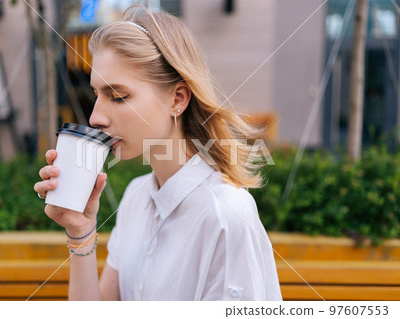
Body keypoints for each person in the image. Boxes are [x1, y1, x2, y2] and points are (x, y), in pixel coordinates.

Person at [34, 6, 282, 301]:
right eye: (96, 95)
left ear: (177, 99)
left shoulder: (226, 216)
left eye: (118, 96)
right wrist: (81, 231)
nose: (95, 117)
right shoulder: (134, 197)